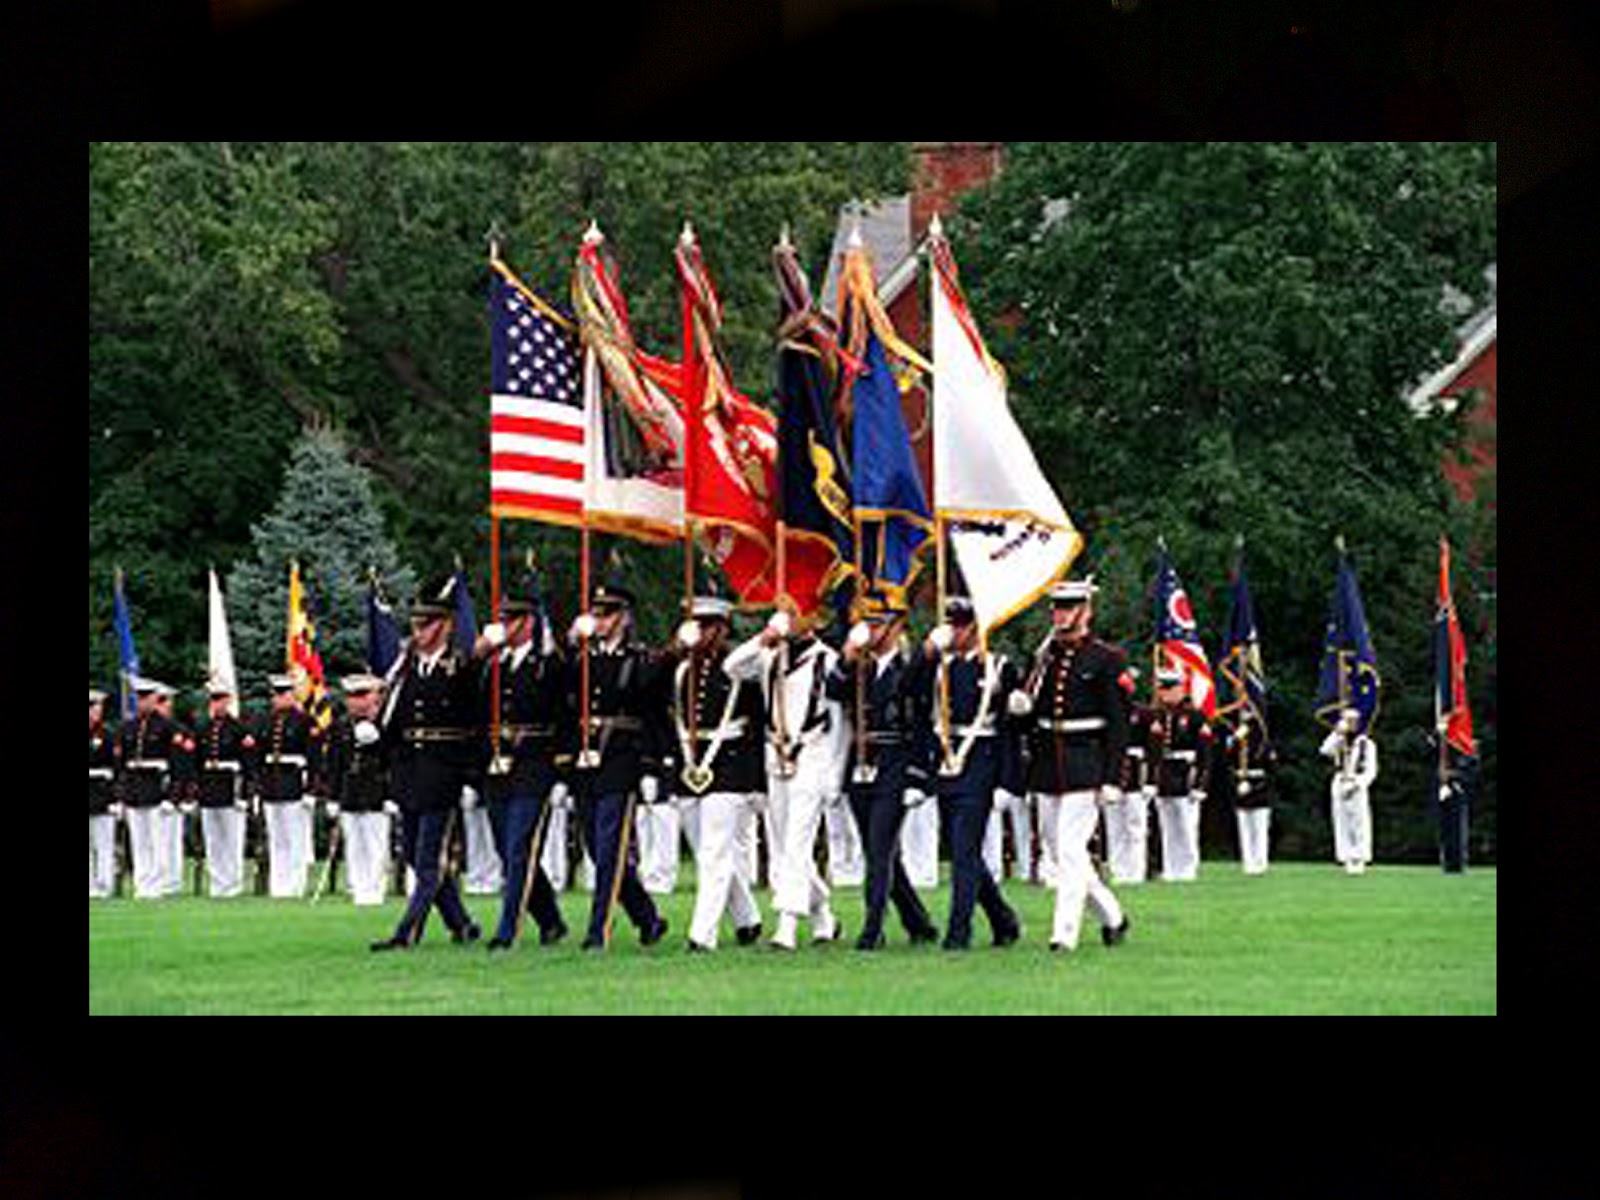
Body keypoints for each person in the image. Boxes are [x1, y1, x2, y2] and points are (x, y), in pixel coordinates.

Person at [1011, 578, 1130, 952]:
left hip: (1086, 764)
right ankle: (1113, 917)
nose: (1060, 614)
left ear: (1086, 611)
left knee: (1069, 849)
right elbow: (1034, 717)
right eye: (1057, 607)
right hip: (1049, 763)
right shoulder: (1044, 657)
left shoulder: (1107, 659)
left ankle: (1064, 934)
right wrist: (1019, 711)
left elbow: (1119, 723)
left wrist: (1113, 777)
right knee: (1061, 850)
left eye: (1068, 607)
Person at [725, 604, 847, 951]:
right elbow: (731, 667)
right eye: (784, 612)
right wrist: (762, 639)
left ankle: (787, 925)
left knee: (797, 841)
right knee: (782, 842)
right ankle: (822, 912)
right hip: (775, 755)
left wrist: (834, 776)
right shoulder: (769, 654)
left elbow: (840, 722)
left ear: (816, 618)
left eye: (795, 612)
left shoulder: (827, 660)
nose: (788, 618)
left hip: (812, 754)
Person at [371, 575, 484, 949]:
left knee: (429, 858)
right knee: (417, 859)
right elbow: (397, 722)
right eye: (415, 624)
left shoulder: (460, 668)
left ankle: (407, 933)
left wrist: (471, 777)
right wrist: (377, 748)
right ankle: (462, 925)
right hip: (409, 774)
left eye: (426, 624)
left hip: (443, 774)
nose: (418, 632)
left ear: (446, 626)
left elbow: (474, 725)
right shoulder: (406, 670)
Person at [827, 600, 940, 951]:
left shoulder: (912, 666)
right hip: (861, 761)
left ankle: (872, 927)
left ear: (895, 628)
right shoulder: (859, 668)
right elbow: (832, 690)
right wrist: (846, 657)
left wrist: (918, 774)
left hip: (895, 761)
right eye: (867, 625)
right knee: (882, 851)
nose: (870, 632)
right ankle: (918, 923)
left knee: (878, 849)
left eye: (878, 626)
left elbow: (922, 722)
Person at [563, 581, 670, 951]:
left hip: (621, 761)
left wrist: (653, 766)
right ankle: (648, 918)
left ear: (623, 618)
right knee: (597, 848)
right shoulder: (582, 658)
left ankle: (598, 931)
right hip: (586, 762)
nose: (600, 620)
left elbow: (654, 713)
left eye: (607, 614)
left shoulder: (640, 660)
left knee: (610, 850)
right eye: (596, 613)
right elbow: (563, 699)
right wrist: (569, 644)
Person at [920, 596, 1021, 952]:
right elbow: (907, 690)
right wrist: (929, 650)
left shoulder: (999, 667)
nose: (954, 632)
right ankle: (1003, 919)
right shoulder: (940, 668)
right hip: (947, 764)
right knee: (963, 851)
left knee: (964, 852)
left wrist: (1010, 781)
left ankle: (958, 933)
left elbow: (1011, 730)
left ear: (977, 628)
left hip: (981, 763)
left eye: (960, 626)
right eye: (950, 625)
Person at [672, 596, 765, 952]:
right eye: (696, 625)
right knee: (707, 851)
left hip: (730, 765)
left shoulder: (738, 667)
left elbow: (757, 724)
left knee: (714, 852)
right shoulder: (680, 668)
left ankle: (702, 935)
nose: (701, 633)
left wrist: (757, 782)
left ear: (722, 629)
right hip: (690, 764)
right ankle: (746, 918)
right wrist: (676, 649)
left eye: (708, 626)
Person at [480, 588, 569, 948]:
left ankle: (508, 929)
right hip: (498, 765)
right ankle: (550, 920)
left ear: (529, 623)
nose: (506, 626)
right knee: (508, 850)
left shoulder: (547, 663)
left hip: (535, 764)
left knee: (520, 848)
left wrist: (561, 769)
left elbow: (564, 713)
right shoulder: (493, 665)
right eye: (502, 620)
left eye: (512, 620)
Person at [113, 677, 194, 899]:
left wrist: (173, 795)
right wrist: (120, 796)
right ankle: (142, 885)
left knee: (157, 842)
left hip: (157, 788)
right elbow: (120, 765)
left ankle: (157, 885)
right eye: (139, 698)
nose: (142, 703)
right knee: (139, 842)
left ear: (154, 699)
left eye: (146, 698)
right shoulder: (127, 727)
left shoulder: (168, 727)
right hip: (135, 790)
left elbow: (178, 764)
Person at [321, 675, 394, 906]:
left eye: (363, 696)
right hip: (349, 791)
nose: (357, 702)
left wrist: (392, 795)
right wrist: (332, 796)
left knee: (376, 843)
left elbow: (393, 760)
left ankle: (375, 889)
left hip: (376, 791)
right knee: (354, 844)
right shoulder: (341, 726)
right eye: (353, 697)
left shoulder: (386, 724)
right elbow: (334, 764)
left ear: (375, 697)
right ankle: (359, 888)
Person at [191, 682, 257, 897]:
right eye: (214, 699)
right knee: (213, 839)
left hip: (231, 786)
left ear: (229, 701)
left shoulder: (239, 729)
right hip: (209, 786)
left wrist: (247, 793)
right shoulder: (203, 728)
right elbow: (197, 762)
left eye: (221, 699)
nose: (217, 704)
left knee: (232, 838)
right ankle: (218, 884)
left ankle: (233, 883)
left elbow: (248, 764)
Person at [256, 674, 318, 897]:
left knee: (294, 838)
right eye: (276, 694)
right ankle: (279, 885)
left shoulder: (305, 721)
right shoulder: (266, 721)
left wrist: (311, 789)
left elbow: (314, 758)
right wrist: (257, 787)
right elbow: (259, 756)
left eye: (283, 694)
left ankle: (295, 885)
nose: (279, 699)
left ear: (293, 695)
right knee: (277, 837)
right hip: (272, 782)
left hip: (293, 782)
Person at [1149, 665, 1212, 882]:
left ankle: (1187, 868)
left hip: (1185, 772)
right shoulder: (1156, 714)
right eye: (1161, 689)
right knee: (1167, 825)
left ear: (1180, 689)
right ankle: (1171, 868)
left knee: (1186, 825)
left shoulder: (1195, 716)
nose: (1164, 693)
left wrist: (1200, 785)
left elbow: (1205, 754)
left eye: (1169, 689)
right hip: (1164, 773)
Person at [1105, 666, 1153, 884]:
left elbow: (1155, 750)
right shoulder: (1106, 715)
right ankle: (1119, 870)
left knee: (1136, 826)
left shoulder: (1143, 714)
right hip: (1112, 773)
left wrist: (1150, 780)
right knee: (1114, 826)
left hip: (1135, 773)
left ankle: (1136, 870)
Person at [1319, 706, 1377, 874]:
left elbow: (1371, 770)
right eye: (1347, 720)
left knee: (1359, 822)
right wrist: (1337, 732)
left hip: (1356, 783)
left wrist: (1358, 784)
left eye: (1353, 721)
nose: (1350, 724)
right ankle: (1345, 857)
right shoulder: (1338, 740)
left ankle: (1360, 857)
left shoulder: (1366, 744)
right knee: (1341, 820)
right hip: (1339, 781)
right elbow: (1324, 750)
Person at [1222, 710, 1275, 875]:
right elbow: (1228, 759)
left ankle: (1260, 861)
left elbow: (1270, 766)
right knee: (1244, 826)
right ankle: (1248, 861)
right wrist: (1235, 741)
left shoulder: (1263, 743)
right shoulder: (1237, 740)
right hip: (1240, 782)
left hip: (1258, 783)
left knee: (1259, 826)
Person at [89, 690, 118, 899]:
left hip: (102, 793)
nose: (96, 712)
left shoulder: (108, 734)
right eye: (93, 707)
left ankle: (105, 885)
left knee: (104, 844)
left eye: (99, 708)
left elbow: (117, 769)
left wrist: (116, 798)